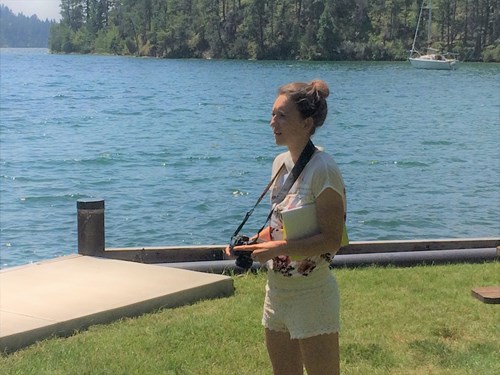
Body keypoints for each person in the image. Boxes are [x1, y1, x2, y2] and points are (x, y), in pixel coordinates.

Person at [226, 79, 347, 375]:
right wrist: (254, 243)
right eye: (272, 114)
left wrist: (278, 248)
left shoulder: (324, 169)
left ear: (306, 123)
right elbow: (282, 226)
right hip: (277, 292)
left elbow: (332, 240)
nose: (272, 123)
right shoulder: (280, 164)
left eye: (282, 116)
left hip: (312, 293)